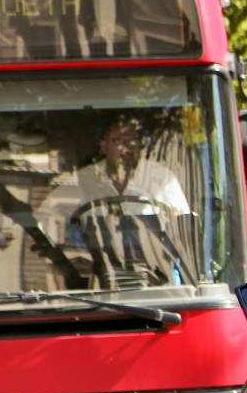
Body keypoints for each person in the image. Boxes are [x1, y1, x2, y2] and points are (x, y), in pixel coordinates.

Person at [45, 115, 194, 280]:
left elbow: (183, 228)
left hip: (158, 275)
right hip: (101, 279)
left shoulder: (161, 179)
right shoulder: (84, 180)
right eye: (119, 142)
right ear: (104, 146)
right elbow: (46, 218)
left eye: (133, 142)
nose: (127, 149)